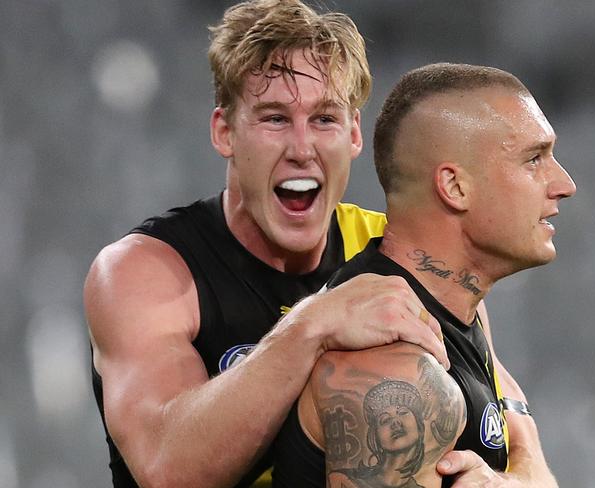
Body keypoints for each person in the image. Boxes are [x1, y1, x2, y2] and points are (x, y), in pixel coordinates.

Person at [84, 2, 449, 488]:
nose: (302, 148)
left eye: (324, 120)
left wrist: (518, 470)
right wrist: (312, 324)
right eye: (275, 119)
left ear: (354, 134)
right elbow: (166, 468)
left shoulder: (400, 252)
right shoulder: (143, 272)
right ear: (224, 131)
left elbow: (501, 416)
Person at [271, 62, 576, 487]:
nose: (564, 182)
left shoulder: (457, 308)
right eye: (534, 159)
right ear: (454, 187)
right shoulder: (390, 367)